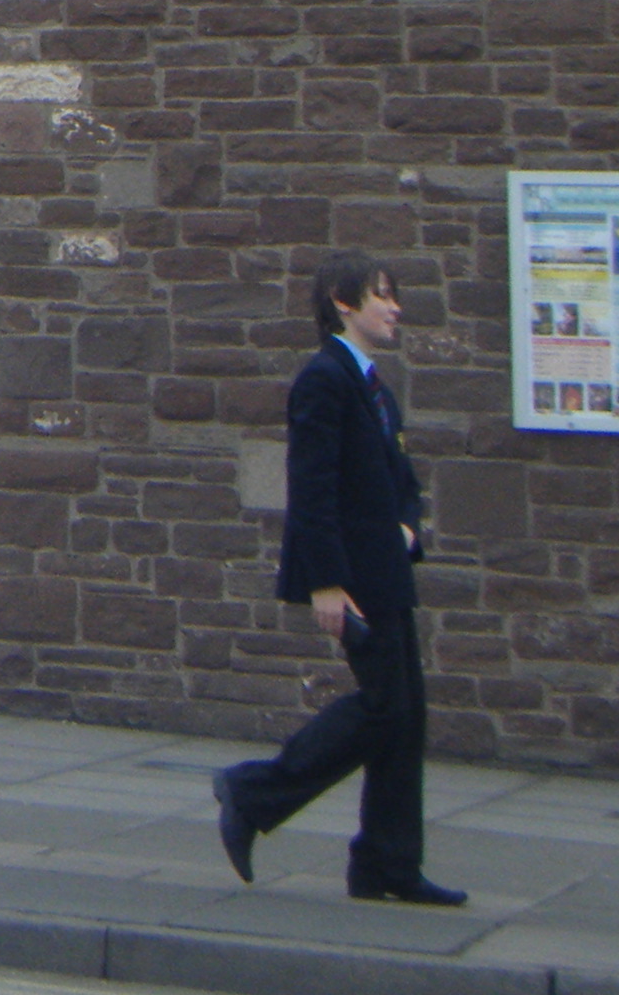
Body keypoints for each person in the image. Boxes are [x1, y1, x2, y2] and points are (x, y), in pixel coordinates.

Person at [214, 249, 464, 906]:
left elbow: (401, 480)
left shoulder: (372, 385)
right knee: (385, 706)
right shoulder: (323, 379)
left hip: (387, 570)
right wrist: (325, 583)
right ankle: (253, 792)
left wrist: (408, 526)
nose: (395, 308)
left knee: (405, 717)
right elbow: (312, 487)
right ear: (344, 303)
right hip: (353, 576)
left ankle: (387, 864)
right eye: (382, 295)